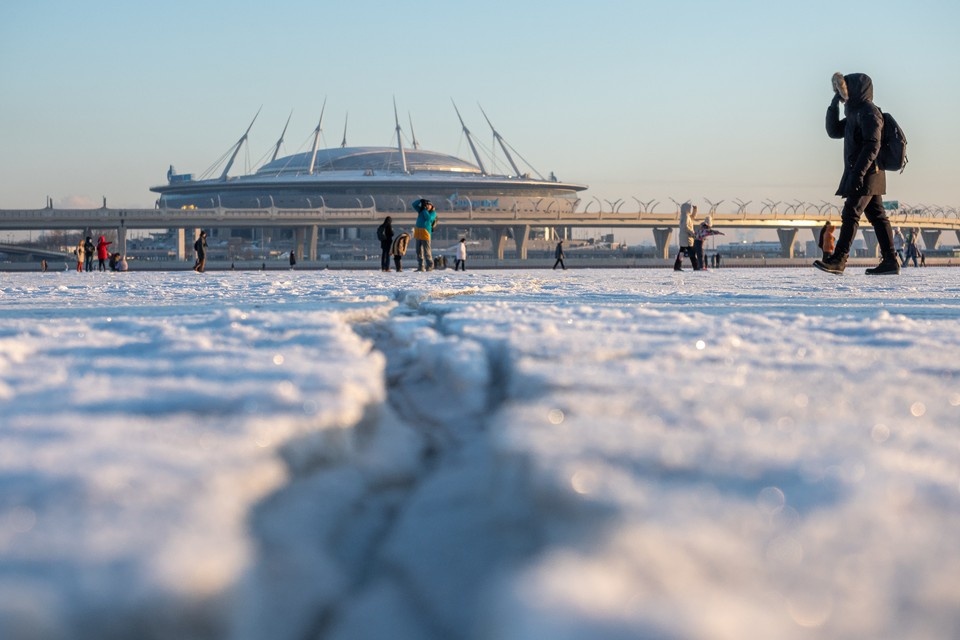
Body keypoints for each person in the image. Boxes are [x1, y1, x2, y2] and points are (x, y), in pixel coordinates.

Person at [814, 72, 900, 275]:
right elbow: (834, 131)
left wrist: (858, 174)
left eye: (845, 89)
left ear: (856, 90)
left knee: (851, 212)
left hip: (868, 172)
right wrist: (834, 105)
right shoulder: (855, 112)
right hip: (863, 172)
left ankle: (839, 259)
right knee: (878, 216)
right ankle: (890, 261)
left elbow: (873, 145)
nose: (844, 93)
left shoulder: (869, 112)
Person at [412, 199, 437, 271]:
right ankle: (421, 266)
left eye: (429, 205)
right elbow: (414, 205)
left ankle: (430, 265)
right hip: (418, 232)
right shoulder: (421, 211)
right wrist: (420, 201)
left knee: (427, 251)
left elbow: (428, 218)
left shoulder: (433, 213)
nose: (427, 206)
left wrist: (424, 210)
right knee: (418, 251)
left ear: (432, 206)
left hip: (425, 233)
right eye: (426, 205)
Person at [673, 203, 697, 271]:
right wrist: (692, 233)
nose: (690, 209)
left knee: (681, 253)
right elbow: (685, 227)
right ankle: (696, 266)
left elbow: (693, 217)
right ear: (687, 208)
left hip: (684, 238)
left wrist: (695, 210)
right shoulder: (686, 216)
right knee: (692, 253)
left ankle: (677, 266)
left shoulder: (684, 215)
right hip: (687, 238)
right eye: (690, 208)